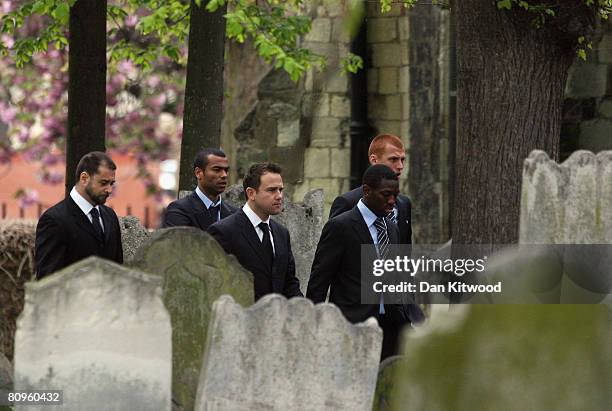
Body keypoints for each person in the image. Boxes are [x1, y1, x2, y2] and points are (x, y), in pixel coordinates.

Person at [307, 164, 423, 360]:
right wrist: (312, 328)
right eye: (386, 194)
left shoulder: (392, 229)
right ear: (367, 191)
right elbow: (319, 281)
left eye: (395, 195)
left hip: (392, 329)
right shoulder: (340, 227)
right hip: (353, 326)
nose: (392, 201)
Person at [207, 162, 303, 300]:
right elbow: (216, 286)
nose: (279, 196)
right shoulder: (223, 232)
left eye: (280, 190)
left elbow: (289, 283)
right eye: (271, 190)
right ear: (251, 193)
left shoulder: (282, 233)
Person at [35, 151, 123, 279]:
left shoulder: (109, 216)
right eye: (103, 183)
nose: (109, 190)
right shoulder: (54, 220)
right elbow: (48, 280)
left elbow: (118, 268)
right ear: (84, 178)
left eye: (111, 183)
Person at [329, 134, 412, 244]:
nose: (400, 166)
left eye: (402, 160)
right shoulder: (348, 202)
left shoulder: (403, 204)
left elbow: (405, 249)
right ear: (374, 160)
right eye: (393, 159)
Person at [162, 148, 238, 230]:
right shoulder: (179, 211)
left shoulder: (235, 214)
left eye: (226, 170)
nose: (224, 175)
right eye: (217, 170)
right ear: (198, 173)